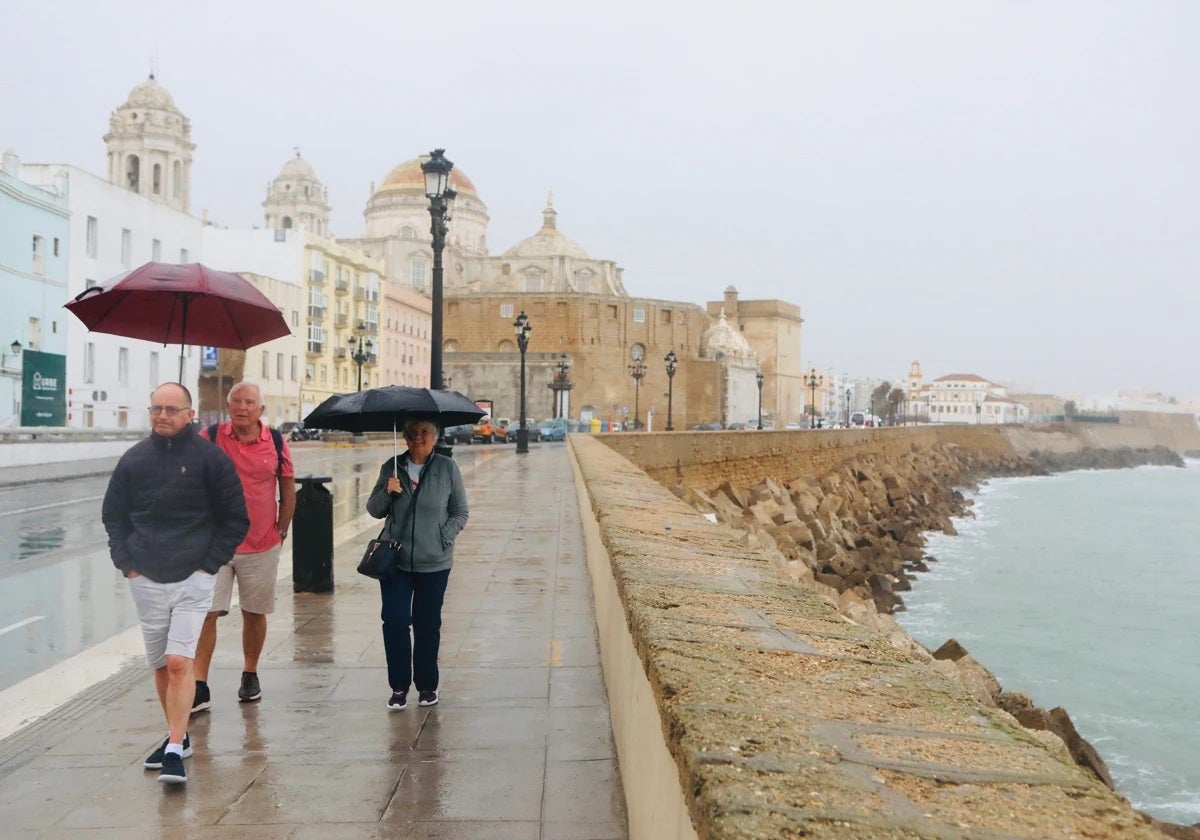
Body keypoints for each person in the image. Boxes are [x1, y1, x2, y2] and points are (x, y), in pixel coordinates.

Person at [102, 383, 249, 786]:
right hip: (145, 578)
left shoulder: (211, 460)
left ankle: (172, 747)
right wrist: (126, 563)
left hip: (193, 577)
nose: (162, 415)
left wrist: (207, 566)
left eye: (171, 409)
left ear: (190, 414)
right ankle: (178, 736)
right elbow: (113, 515)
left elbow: (235, 518)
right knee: (160, 665)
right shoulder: (134, 460)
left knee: (179, 660)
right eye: (156, 409)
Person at [193, 381, 296, 712]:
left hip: (261, 544)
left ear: (260, 410)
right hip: (215, 545)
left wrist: (281, 530)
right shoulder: (208, 439)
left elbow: (288, 489)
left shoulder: (277, 441)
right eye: (236, 401)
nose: (241, 407)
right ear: (228, 406)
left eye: (249, 402)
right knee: (206, 613)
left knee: (254, 612)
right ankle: (199, 684)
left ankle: (250, 672)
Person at [366, 417, 469, 710]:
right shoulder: (392, 467)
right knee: (395, 622)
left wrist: (442, 538)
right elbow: (373, 510)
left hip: (434, 563)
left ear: (434, 436)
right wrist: (388, 491)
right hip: (395, 562)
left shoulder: (447, 468)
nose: (418, 438)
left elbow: (460, 512)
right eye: (412, 433)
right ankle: (399, 687)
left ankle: (426, 686)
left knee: (427, 625)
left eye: (424, 432)